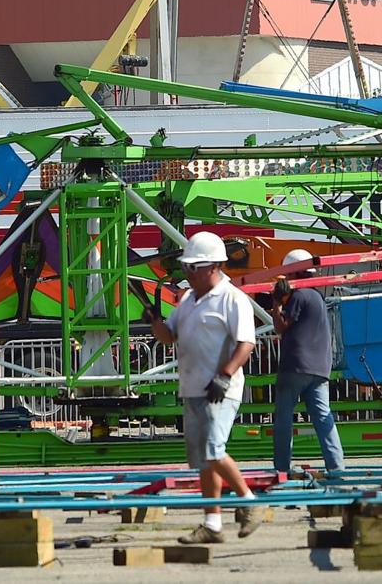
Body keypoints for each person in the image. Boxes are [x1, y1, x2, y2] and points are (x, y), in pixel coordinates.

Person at [148, 230, 262, 544]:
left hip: (220, 389)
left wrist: (225, 374)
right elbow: (168, 336)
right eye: (187, 267)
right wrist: (155, 322)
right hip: (193, 388)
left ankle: (249, 502)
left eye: (193, 267)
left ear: (213, 266)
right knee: (202, 460)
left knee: (214, 451)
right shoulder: (187, 302)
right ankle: (212, 524)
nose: (187, 273)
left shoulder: (232, 299)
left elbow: (246, 343)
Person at [271, 249, 345, 475]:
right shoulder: (317, 297)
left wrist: (276, 304)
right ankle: (336, 467)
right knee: (324, 418)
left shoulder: (300, 295)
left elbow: (281, 327)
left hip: (296, 366)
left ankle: (282, 469)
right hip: (320, 368)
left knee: (283, 418)